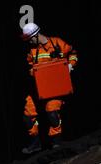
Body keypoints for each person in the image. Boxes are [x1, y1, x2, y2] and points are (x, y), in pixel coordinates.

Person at [21, 23, 78, 154]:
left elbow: (73, 53)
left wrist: (70, 65)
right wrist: (33, 72)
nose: (29, 42)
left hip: (57, 87)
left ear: (35, 36)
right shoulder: (32, 51)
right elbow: (30, 67)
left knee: (51, 112)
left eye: (30, 39)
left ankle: (56, 141)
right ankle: (35, 144)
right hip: (40, 88)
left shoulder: (57, 42)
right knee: (27, 116)